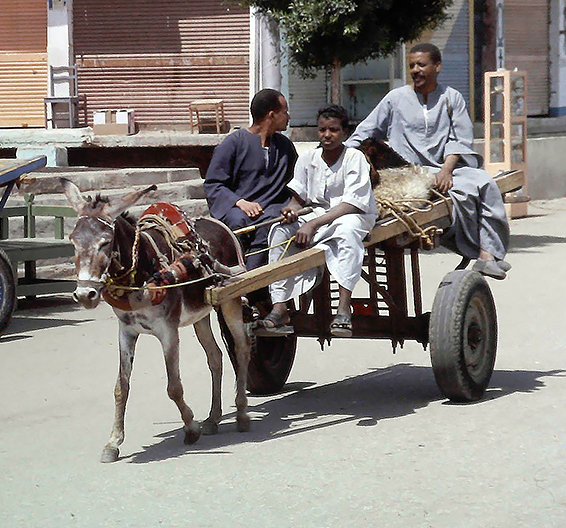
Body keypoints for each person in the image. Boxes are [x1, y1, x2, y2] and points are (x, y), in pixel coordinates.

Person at [346, 42, 510, 279]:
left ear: (437, 66)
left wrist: (447, 170)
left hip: (446, 168)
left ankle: (487, 255)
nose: (415, 70)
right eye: (412, 65)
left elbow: (460, 139)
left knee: (483, 182)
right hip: (407, 172)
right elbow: (365, 131)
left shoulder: (451, 98)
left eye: (421, 65)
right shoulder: (395, 98)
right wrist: (343, 155)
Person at [261, 105, 377, 336]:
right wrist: (291, 210)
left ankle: (343, 308)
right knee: (278, 231)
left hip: (351, 215)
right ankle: (280, 306)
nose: (327, 135)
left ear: (345, 132)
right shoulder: (307, 158)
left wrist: (312, 224)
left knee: (347, 232)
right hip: (316, 215)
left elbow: (352, 203)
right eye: (322, 130)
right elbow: (298, 199)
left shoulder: (354, 158)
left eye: (333, 130)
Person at [204, 88, 298, 271]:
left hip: (271, 209)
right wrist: (240, 202)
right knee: (237, 221)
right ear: (272, 115)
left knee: (272, 223)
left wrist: (292, 206)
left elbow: (296, 182)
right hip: (238, 209)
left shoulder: (285, 146)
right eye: (284, 112)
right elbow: (213, 184)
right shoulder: (233, 143)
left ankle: (254, 279)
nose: (288, 117)